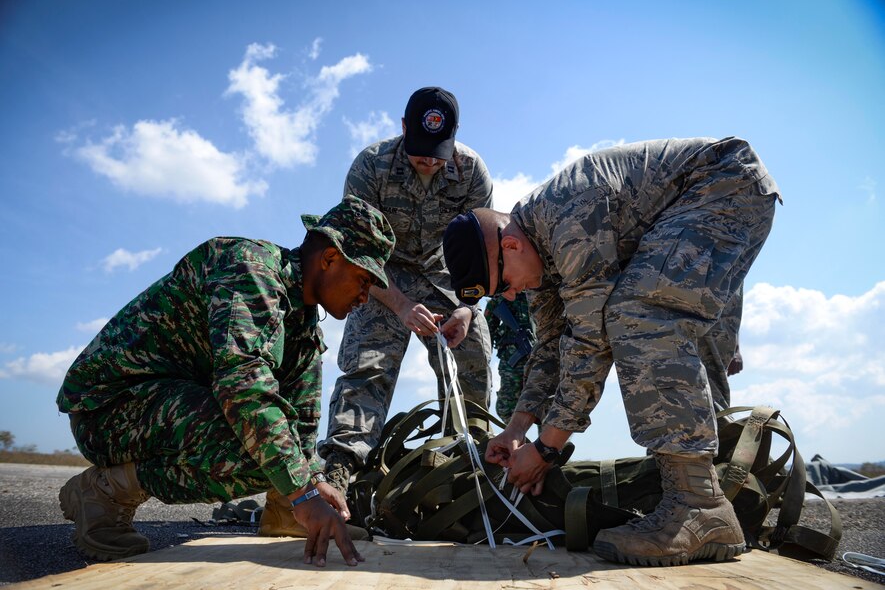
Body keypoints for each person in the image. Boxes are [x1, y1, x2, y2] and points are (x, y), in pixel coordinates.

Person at [443, 137, 782, 566]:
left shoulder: (566, 220)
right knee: (678, 338)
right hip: (705, 203)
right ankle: (714, 502)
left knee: (638, 314)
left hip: (722, 186)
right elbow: (551, 348)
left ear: (510, 246)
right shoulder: (537, 255)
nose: (510, 296)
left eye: (504, 284)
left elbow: (591, 343)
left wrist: (547, 449)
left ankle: (697, 506)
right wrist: (516, 428)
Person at [56, 195, 395, 567]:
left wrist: (313, 484)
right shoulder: (250, 272)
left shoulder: (302, 320)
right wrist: (303, 493)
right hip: (109, 410)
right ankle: (105, 491)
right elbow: (244, 389)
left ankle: (283, 513)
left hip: (170, 404)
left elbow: (302, 417)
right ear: (330, 258)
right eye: (363, 279)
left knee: (278, 451)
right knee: (253, 446)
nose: (366, 296)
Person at [318, 87, 493, 494]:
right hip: (382, 273)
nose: (429, 163)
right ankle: (341, 472)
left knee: (473, 354)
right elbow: (357, 250)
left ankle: (468, 465)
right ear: (402, 129)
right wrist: (399, 305)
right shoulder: (370, 167)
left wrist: (468, 307)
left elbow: (482, 252)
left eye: (438, 153)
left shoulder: (472, 172)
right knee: (368, 363)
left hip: (446, 273)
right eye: (420, 152)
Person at [485, 293, 536, 422]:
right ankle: (513, 437)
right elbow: (486, 333)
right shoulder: (500, 300)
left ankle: (549, 441)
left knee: (547, 401)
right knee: (506, 405)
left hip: (538, 357)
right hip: (511, 360)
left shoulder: (537, 294)